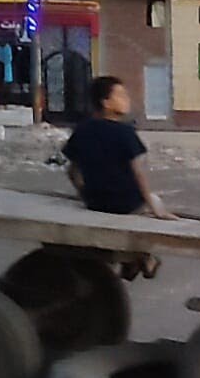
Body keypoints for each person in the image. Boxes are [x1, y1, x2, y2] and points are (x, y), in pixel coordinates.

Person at [63, 76, 176, 276]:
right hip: (126, 204)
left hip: (95, 202)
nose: (127, 99)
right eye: (121, 95)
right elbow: (138, 174)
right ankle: (145, 259)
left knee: (143, 205)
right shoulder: (125, 132)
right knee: (154, 202)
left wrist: (83, 193)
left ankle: (133, 260)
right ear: (106, 103)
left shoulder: (82, 130)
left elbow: (72, 171)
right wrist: (155, 208)